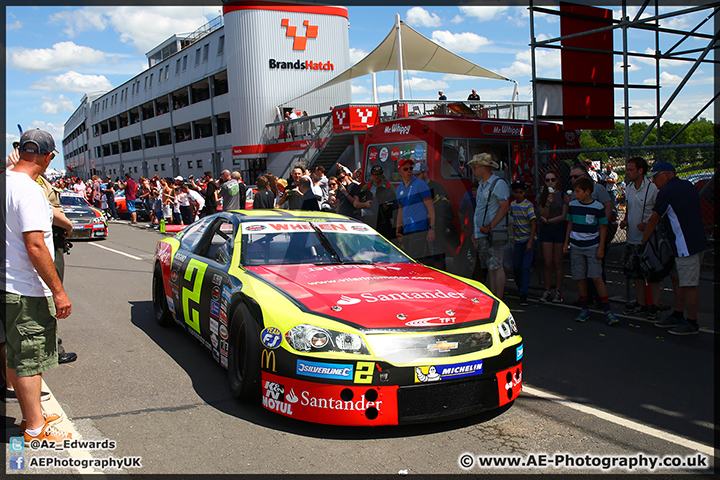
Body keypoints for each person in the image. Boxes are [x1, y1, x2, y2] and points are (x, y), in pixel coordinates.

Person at [1, 128, 76, 443]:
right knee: (30, 358)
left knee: (16, 355)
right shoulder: (30, 190)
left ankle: (34, 416)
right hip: (25, 289)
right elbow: (35, 245)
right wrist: (58, 291)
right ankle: (35, 427)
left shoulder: (5, 180)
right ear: (49, 157)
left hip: (7, 285)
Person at [642, 162, 708, 335]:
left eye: (655, 177)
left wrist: (643, 241)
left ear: (666, 174)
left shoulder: (667, 191)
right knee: (678, 279)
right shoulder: (687, 186)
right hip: (695, 240)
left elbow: (654, 218)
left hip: (685, 244)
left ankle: (692, 322)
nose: (654, 182)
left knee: (688, 284)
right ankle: (678, 314)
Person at [563, 176, 619, 325]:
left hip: (592, 246)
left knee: (596, 277)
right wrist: (566, 243)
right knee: (580, 278)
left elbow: (603, 227)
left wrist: (601, 247)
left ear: (587, 192)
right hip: (576, 246)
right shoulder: (573, 205)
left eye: (578, 191)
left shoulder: (598, 207)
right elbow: (570, 223)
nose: (575, 194)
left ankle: (607, 310)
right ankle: (584, 308)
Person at [620, 157, 661, 320]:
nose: (627, 173)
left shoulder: (652, 189)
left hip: (649, 239)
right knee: (636, 274)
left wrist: (650, 224)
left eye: (630, 170)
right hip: (632, 238)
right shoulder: (629, 189)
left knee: (652, 275)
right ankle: (641, 303)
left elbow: (661, 212)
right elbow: (630, 209)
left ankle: (655, 305)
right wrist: (625, 220)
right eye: (627, 169)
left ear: (640, 171)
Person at [470, 153, 510, 299]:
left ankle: (498, 297)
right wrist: (476, 231)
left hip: (493, 233)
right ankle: (494, 296)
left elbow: (505, 207)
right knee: (490, 266)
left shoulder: (498, 184)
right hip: (483, 232)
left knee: (496, 266)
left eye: (475, 167)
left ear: (483, 168)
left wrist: (489, 226)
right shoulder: (481, 185)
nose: (473, 170)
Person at [412, 161, 452, 269]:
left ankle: (439, 282)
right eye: (414, 175)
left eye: (418, 174)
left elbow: (445, 209)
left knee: (437, 258)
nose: (415, 177)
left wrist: (433, 229)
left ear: (425, 173)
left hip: (435, 229)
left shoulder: (437, 187)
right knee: (420, 259)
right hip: (418, 229)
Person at [395, 158, 435, 265]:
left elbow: (430, 208)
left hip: (420, 229)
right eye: (406, 169)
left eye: (411, 168)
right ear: (400, 171)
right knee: (407, 261)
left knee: (417, 262)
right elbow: (400, 210)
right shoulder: (399, 188)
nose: (409, 171)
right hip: (407, 230)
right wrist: (398, 230)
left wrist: (432, 229)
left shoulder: (420, 184)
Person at [537, 169, 567, 303]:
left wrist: (549, 221)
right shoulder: (541, 196)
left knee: (558, 262)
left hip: (559, 229)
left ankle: (558, 292)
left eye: (553, 180)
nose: (550, 182)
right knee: (548, 262)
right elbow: (543, 214)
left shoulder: (563, 196)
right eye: (547, 180)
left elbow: (564, 216)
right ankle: (547, 290)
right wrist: (548, 203)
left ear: (557, 181)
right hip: (547, 231)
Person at [509, 181, 536, 306]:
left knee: (525, 267)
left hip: (527, 239)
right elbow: (512, 221)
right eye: (516, 192)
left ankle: (523, 293)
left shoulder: (528, 205)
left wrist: (530, 241)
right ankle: (520, 286)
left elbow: (533, 223)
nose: (518, 194)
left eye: (520, 192)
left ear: (524, 192)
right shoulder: (513, 205)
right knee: (516, 266)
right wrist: (513, 236)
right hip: (518, 239)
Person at [356, 164, 397, 240]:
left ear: (382, 175)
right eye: (374, 174)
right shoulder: (367, 187)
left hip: (386, 222)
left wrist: (388, 205)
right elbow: (356, 203)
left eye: (378, 174)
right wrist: (365, 204)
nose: (376, 176)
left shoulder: (389, 186)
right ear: (371, 175)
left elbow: (397, 203)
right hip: (371, 221)